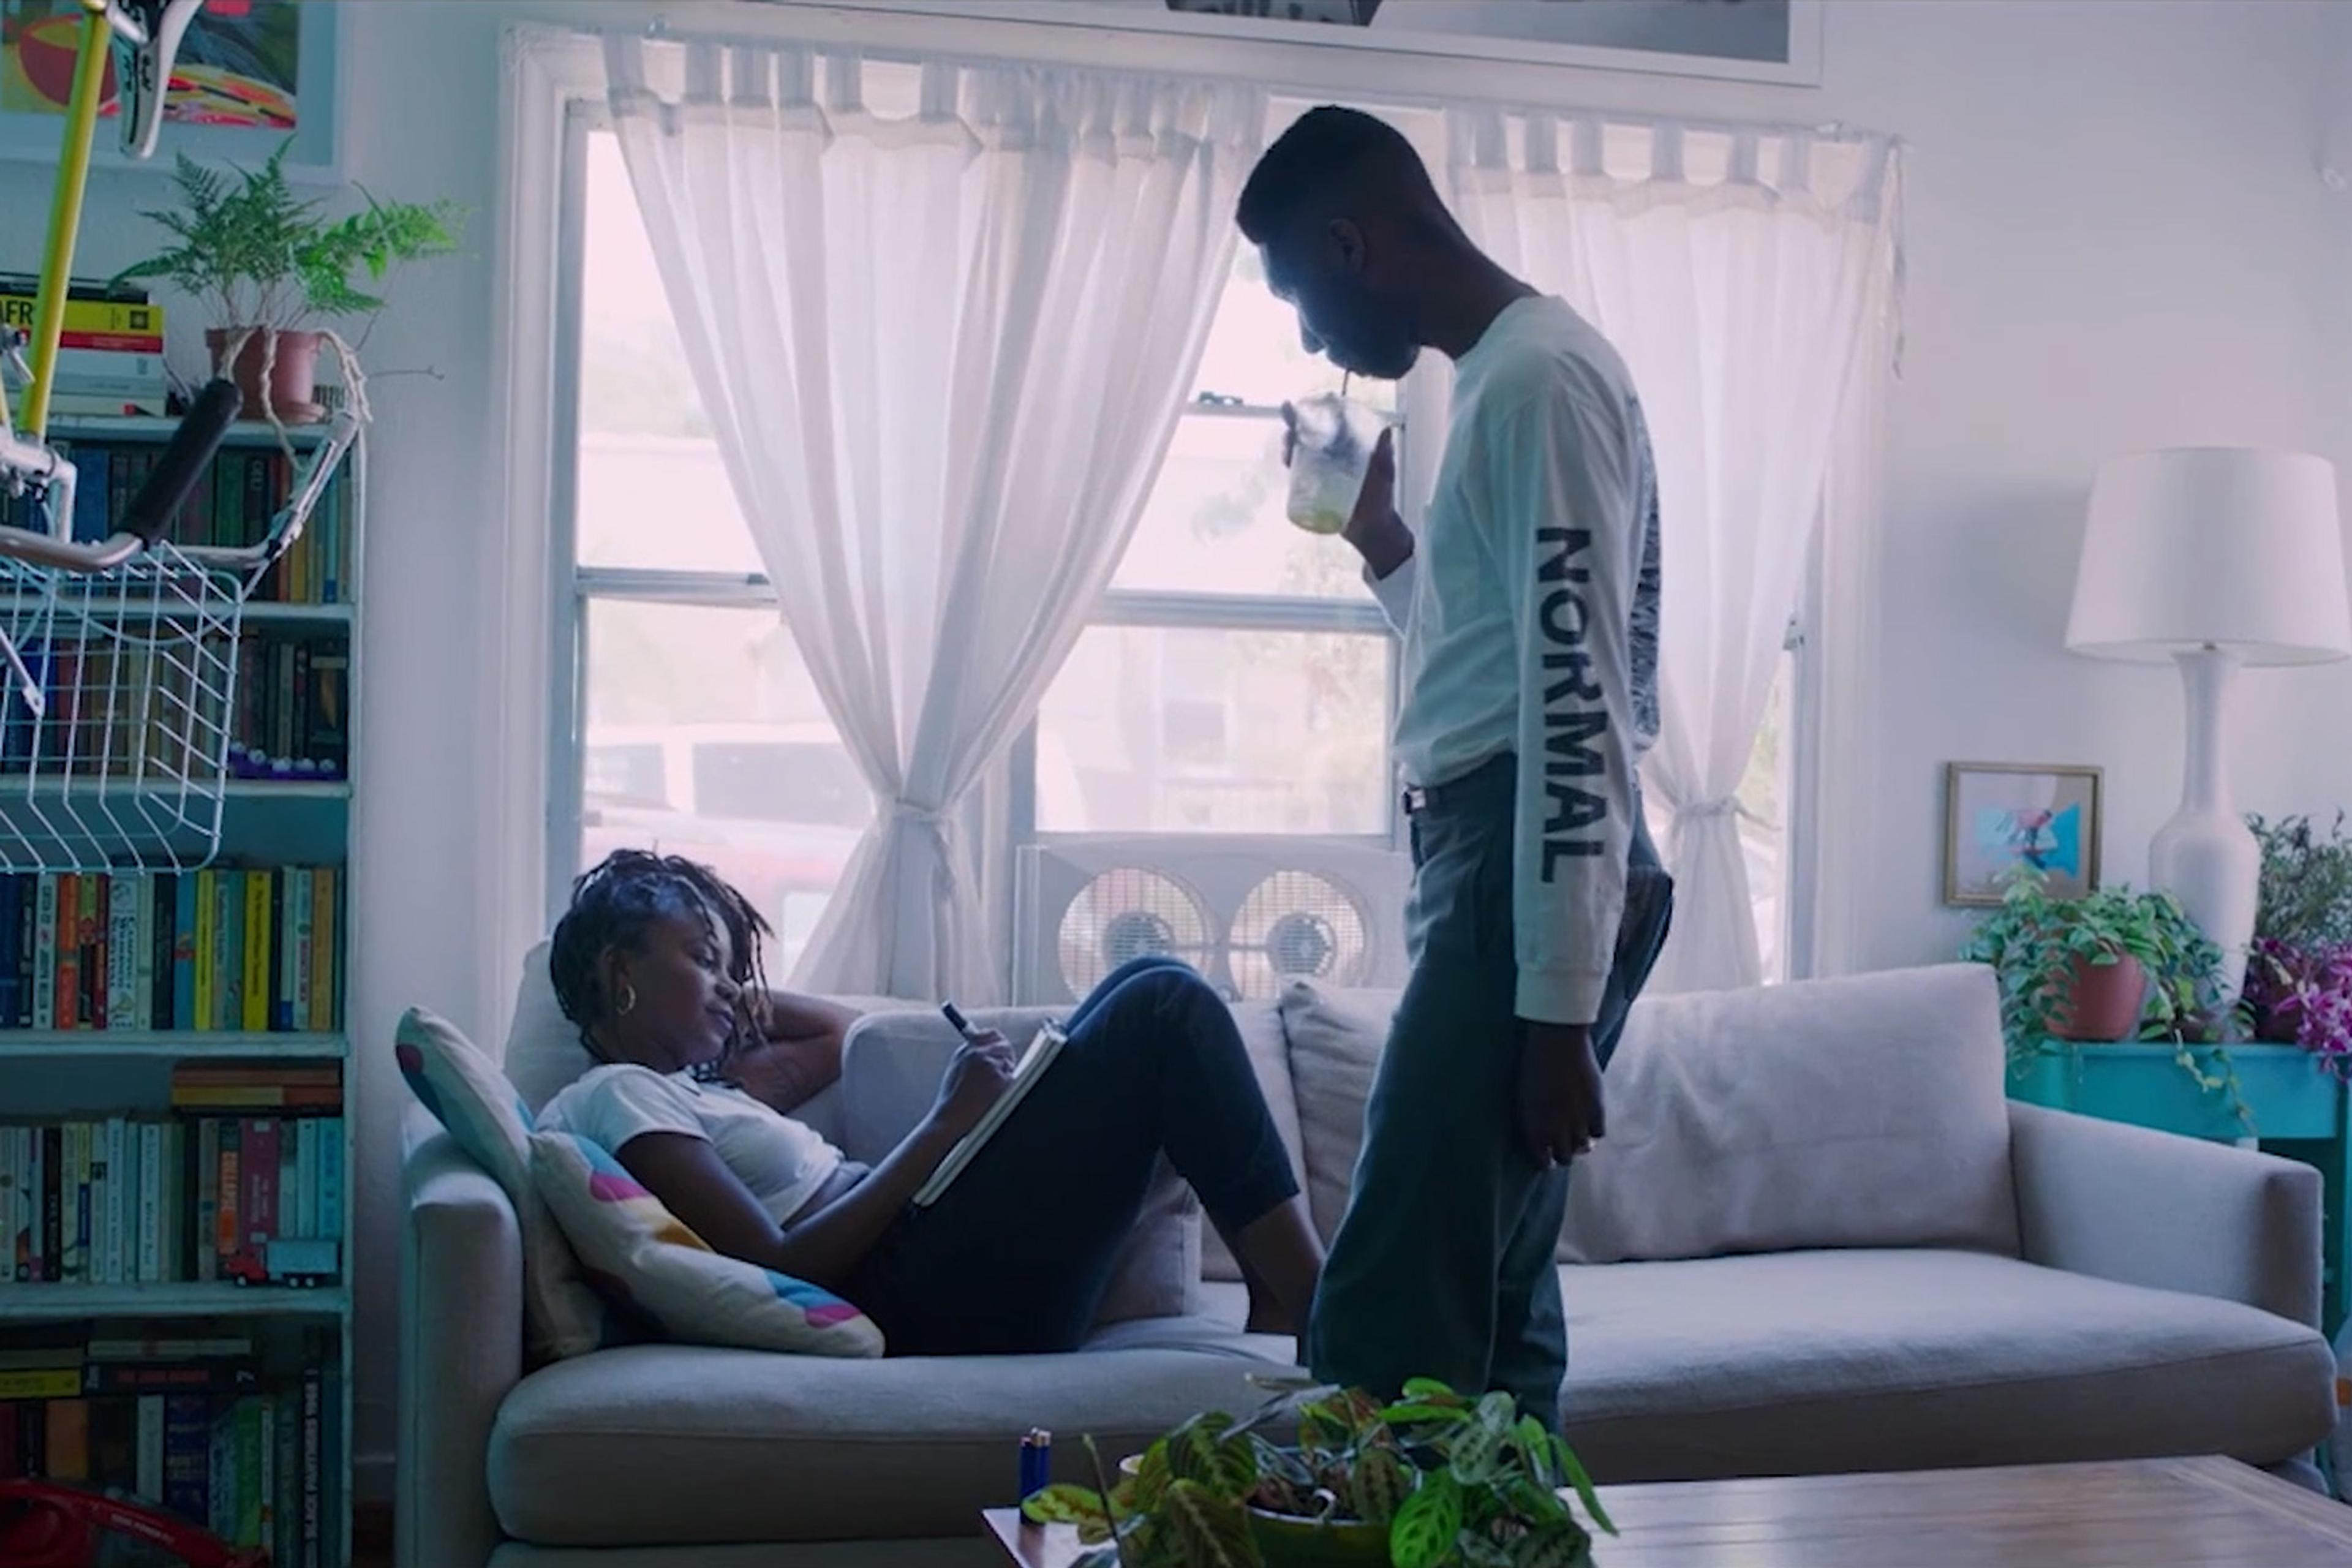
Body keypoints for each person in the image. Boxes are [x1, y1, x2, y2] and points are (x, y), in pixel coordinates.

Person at [1237, 106, 1675, 1424]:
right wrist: (1382, 543)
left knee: (1387, 1305)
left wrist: (1555, 1012)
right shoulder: (1501, 376)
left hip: (1520, 863)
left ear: (1352, 242)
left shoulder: (1536, 378)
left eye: (1302, 295)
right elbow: (1497, 656)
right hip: (1498, 854)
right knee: (1487, 1300)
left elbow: (1576, 698)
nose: (1315, 338)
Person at [538, 849, 1322, 1355]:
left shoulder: (698, 1093)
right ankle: (1319, 1305)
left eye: (731, 968)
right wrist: (949, 1123)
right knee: (1162, 1003)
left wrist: (729, 1000)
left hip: (938, 1262)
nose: (730, 986)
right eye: (704, 959)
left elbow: (846, 1032)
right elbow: (781, 1265)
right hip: (926, 1296)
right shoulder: (619, 1098)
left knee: (1136, 987)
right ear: (619, 974)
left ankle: (1279, 1300)